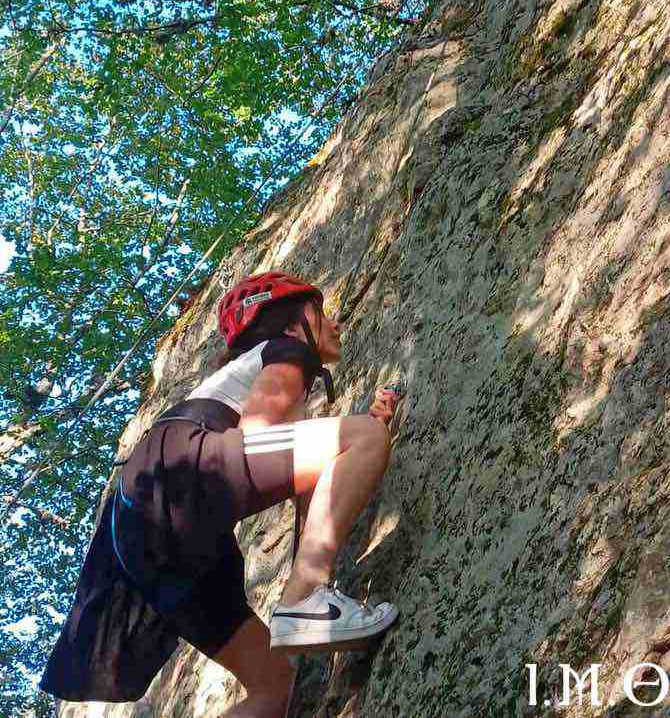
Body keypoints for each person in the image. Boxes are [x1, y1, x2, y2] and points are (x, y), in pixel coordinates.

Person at [39, 271, 400, 717]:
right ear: (292, 323)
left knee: (274, 687)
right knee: (362, 437)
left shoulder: (242, 376)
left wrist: (348, 450)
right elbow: (257, 435)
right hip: (181, 473)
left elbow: (300, 487)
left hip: (149, 536)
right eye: (321, 312)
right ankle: (305, 601)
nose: (336, 323)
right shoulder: (286, 351)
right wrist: (363, 438)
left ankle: (304, 602)